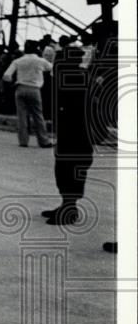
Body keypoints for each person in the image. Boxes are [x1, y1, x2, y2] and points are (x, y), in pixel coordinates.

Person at [41, 47, 92, 225]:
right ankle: (66, 205)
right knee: (63, 168)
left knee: (70, 168)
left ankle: (70, 209)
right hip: (71, 131)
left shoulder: (75, 78)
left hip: (77, 132)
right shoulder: (74, 77)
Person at [2, 40, 53, 148]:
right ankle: (44, 141)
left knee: (22, 116)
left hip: (20, 88)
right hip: (34, 89)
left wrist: (12, 83)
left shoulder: (18, 61)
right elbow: (51, 68)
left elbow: (6, 75)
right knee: (38, 115)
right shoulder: (40, 61)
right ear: (37, 49)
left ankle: (23, 141)